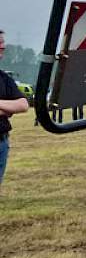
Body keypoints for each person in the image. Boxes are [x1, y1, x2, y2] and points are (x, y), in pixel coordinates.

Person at [0, 30, 30, 191]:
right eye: (0, 43)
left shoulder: (4, 78)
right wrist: (7, 108)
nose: (3, 47)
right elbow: (13, 107)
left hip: (2, 143)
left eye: (3, 43)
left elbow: (23, 105)